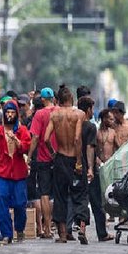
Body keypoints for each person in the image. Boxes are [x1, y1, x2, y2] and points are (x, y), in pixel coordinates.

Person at [44, 85, 87, 244]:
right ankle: (81, 228)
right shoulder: (79, 114)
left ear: (58, 101)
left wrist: (53, 153)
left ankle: (62, 235)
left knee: (60, 196)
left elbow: (46, 138)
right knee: (80, 195)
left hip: (60, 158)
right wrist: (78, 162)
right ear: (72, 99)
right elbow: (77, 139)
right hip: (74, 158)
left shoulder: (54, 115)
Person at [0, 100, 31, 244]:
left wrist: (17, 141)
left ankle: (19, 229)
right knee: (2, 204)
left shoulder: (22, 130)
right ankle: (6, 234)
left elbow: (26, 148)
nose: (10, 115)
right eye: (8, 112)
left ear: (17, 114)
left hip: (19, 173)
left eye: (13, 112)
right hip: (3, 173)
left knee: (20, 204)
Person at [78, 97, 113, 242]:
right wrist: (91, 168)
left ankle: (72, 229)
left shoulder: (75, 125)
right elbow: (90, 148)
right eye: (92, 109)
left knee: (79, 200)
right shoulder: (91, 127)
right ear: (88, 110)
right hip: (88, 167)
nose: (93, 111)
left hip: (75, 166)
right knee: (96, 202)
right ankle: (102, 233)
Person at [27, 88, 58, 238]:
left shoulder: (39, 114)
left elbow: (35, 138)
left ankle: (47, 228)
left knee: (44, 194)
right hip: (60, 157)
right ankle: (60, 227)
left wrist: (29, 156)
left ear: (43, 99)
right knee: (57, 193)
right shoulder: (59, 111)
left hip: (43, 158)